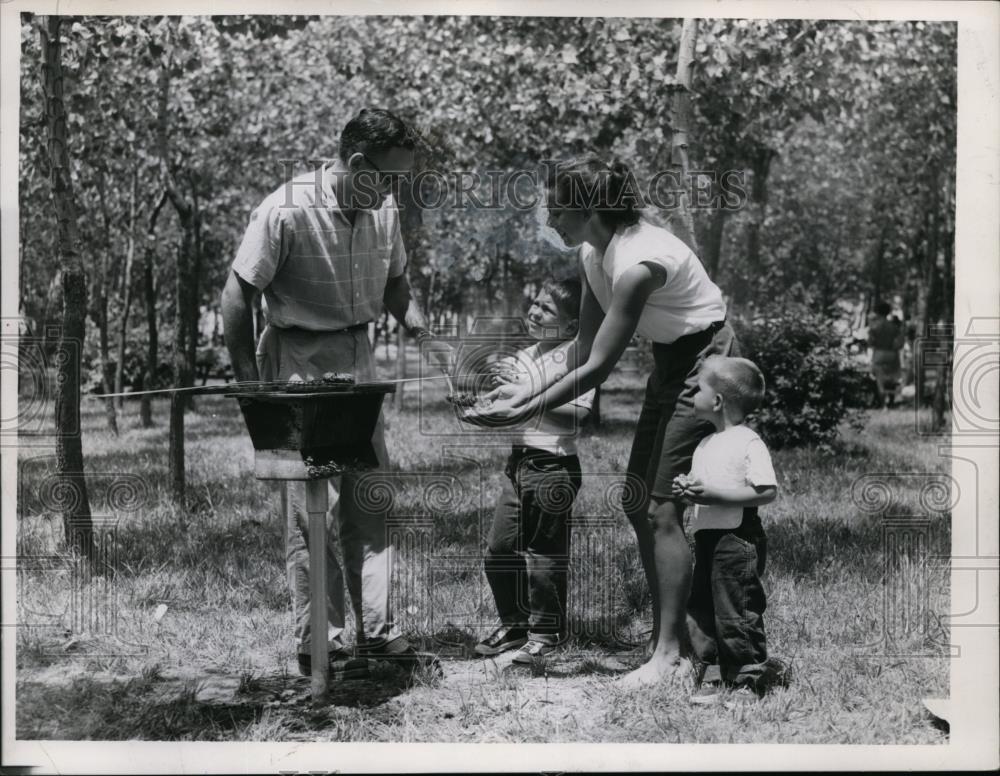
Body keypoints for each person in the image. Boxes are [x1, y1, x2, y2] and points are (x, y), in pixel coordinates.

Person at [476, 156, 736, 688]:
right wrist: (523, 391)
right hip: (672, 361)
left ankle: (670, 656)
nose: (550, 221)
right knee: (639, 500)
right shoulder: (595, 254)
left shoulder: (638, 262)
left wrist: (520, 410)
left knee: (663, 505)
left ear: (590, 208)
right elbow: (580, 346)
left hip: (707, 361)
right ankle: (676, 645)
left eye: (556, 210)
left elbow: (600, 366)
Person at [220, 108, 452, 677]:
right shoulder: (285, 209)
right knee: (309, 515)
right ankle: (322, 639)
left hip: (358, 358)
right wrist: (254, 383)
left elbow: (396, 285)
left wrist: (425, 335)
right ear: (354, 163)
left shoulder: (385, 208)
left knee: (369, 500)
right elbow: (236, 295)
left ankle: (378, 630)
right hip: (294, 360)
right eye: (391, 177)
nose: (398, 190)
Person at [467, 280, 594, 664]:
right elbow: (506, 405)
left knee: (544, 556)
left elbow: (578, 415)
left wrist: (529, 397)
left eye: (548, 309)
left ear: (571, 326)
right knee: (499, 551)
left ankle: (546, 633)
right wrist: (482, 406)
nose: (535, 312)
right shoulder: (525, 356)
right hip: (518, 464)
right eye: (535, 304)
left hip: (553, 467)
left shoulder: (576, 358)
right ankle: (516, 622)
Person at [672, 355, 778, 707]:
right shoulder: (706, 444)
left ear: (717, 401)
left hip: (737, 537)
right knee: (702, 606)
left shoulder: (747, 441)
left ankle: (748, 677)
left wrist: (716, 495)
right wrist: (688, 490)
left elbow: (766, 491)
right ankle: (714, 673)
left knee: (736, 609)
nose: (692, 397)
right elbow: (707, 486)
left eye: (698, 390)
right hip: (706, 536)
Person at [868, 301, 905, 409]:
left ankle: (883, 405)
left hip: (879, 354)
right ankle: (892, 401)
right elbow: (900, 343)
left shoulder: (874, 327)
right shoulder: (894, 327)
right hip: (892, 354)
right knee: (892, 379)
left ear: (877, 313)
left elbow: (870, 343)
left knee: (880, 380)